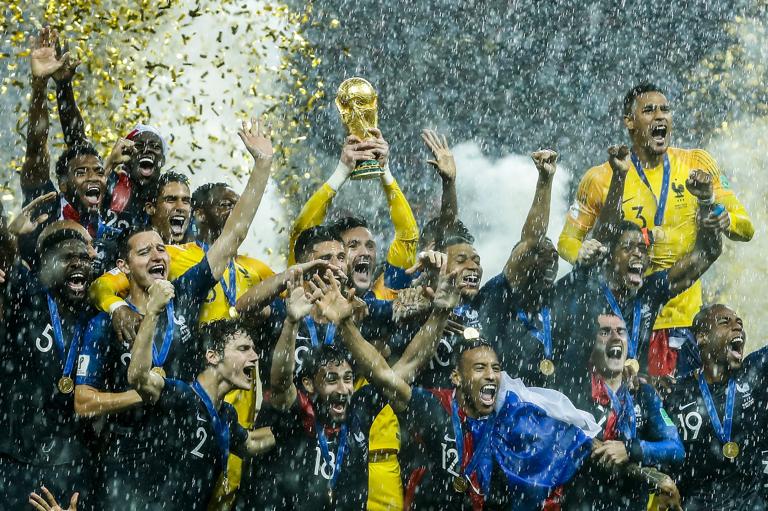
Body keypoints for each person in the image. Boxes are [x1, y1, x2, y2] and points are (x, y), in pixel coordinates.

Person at [74, 118, 274, 509]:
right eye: (144, 251)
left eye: (160, 249)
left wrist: (262, 167)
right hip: (124, 463)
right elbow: (83, 403)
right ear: (125, 265)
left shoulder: (183, 295)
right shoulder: (106, 322)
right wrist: (147, 395)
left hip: (180, 459)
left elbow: (232, 237)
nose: (157, 255)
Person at [317, 272, 596, 510]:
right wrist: (346, 325)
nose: (490, 375)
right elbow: (384, 376)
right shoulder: (436, 409)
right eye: (480, 368)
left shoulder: (511, 416)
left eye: (495, 368)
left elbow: (567, 442)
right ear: (457, 377)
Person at [558, 83, 753, 379]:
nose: (659, 116)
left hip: (683, 319)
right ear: (630, 121)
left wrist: (724, 217)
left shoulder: (695, 164)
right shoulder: (600, 178)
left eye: (665, 109)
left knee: (677, 411)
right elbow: (567, 241)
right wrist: (580, 253)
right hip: (624, 320)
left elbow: (746, 227)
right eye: (649, 110)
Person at [241, 266, 459, 510]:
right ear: (309, 384)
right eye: (332, 379)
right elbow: (281, 382)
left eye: (347, 378)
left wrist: (441, 311)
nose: (343, 389)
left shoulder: (360, 411)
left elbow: (410, 363)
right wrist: (291, 322)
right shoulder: (299, 415)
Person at [391, 149, 560, 389]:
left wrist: (545, 181)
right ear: (438, 260)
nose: (474, 267)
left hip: (482, 420)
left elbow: (530, 243)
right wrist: (449, 185)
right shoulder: (417, 307)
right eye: (462, 260)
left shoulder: (489, 301)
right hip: (434, 418)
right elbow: (445, 229)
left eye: (477, 261)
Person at [554, 168, 723, 390]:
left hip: (629, 402)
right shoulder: (586, 288)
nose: (638, 254)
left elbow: (706, 254)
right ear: (609, 257)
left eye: (643, 249)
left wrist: (706, 201)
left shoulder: (649, 293)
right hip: (581, 403)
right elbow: (606, 229)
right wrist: (619, 175)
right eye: (628, 247)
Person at [125, 282, 275, 510]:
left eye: (254, 349)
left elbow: (251, 443)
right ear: (213, 356)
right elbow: (138, 377)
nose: (255, 357)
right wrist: (154, 311)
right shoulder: (180, 395)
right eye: (244, 349)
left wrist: (300, 420)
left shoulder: (225, 415)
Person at [0, 221, 98, 510]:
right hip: (15, 459)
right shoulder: (26, 296)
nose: (78, 263)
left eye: (84, 258)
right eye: (68, 257)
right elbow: (6, 257)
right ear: (48, 265)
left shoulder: (98, 312)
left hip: (70, 463)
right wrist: (9, 233)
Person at [561, 312, 684, 511]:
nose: (616, 337)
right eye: (605, 332)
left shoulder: (644, 394)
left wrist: (630, 449)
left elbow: (676, 448)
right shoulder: (575, 391)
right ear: (591, 348)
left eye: (621, 332)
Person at [287, 128, 419, 298]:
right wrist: (342, 170)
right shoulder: (305, 296)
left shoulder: (380, 299)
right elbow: (302, 233)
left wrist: (384, 170)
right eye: (352, 246)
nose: (365, 252)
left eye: (370, 246)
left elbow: (408, 237)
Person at [664, 304, 768, 510]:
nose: (737, 327)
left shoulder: (754, 372)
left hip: (753, 503)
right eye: (725, 322)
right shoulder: (676, 394)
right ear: (702, 337)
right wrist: (662, 483)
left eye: (740, 323)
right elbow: (662, 452)